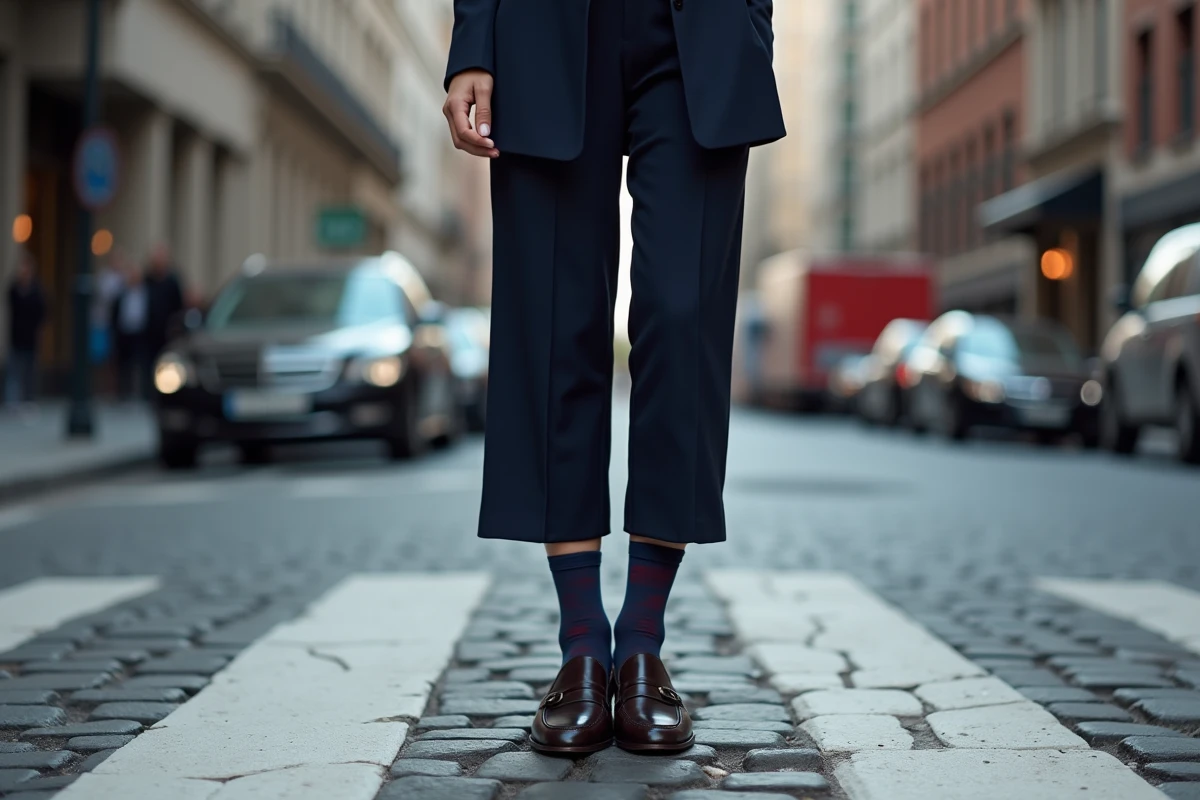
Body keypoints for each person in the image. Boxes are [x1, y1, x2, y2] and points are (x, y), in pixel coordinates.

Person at [444, 0, 784, 755]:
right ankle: (582, 649)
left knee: (683, 315)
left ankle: (640, 643)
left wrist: (753, 26)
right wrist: (474, 43)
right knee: (555, 324)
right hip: (543, 24)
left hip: (698, 28)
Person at [5, 251, 46, 407]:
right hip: (16, 335)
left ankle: (29, 400)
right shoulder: (14, 288)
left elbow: (42, 311)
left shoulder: (37, 290)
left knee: (30, 370)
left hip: (31, 336)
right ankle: (12, 400)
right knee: (14, 368)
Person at [143, 243, 184, 389]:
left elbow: (179, 306)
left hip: (167, 332)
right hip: (148, 332)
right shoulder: (146, 280)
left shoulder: (172, 281)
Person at [112, 265, 149, 400]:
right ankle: (123, 392)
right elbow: (115, 312)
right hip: (124, 333)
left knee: (140, 363)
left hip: (140, 333)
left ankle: (139, 392)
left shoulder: (146, 292)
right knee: (123, 364)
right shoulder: (122, 293)